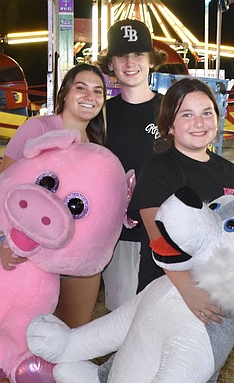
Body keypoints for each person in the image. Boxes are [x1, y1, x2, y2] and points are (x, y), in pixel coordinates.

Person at [128, 77, 234, 383]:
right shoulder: (159, 170)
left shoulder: (230, 173)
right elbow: (157, 236)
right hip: (167, 295)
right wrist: (187, 290)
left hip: (213, 301)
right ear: (170, 125)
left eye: (206, 112)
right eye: (186, 114)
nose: (199, 122)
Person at [0, 62, 107, 383]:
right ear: (65, 93)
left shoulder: (98, 146)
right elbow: (2, 189)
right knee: (21, 337)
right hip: (32, 258)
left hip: (78, 265)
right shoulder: (36, 129)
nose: (89, 96)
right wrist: (1, 240)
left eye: (98, 91)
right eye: (81, 87)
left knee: (74, 341)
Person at [97, 19, 167, 311]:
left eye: (138, 54)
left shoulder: (171, 109)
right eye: (121, 55)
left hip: (167, 232)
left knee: (165, 315)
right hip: (119, 236)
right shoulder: (100, 114)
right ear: (110, 63)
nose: (130, 62)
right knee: (123, 316)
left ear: (151, 60)